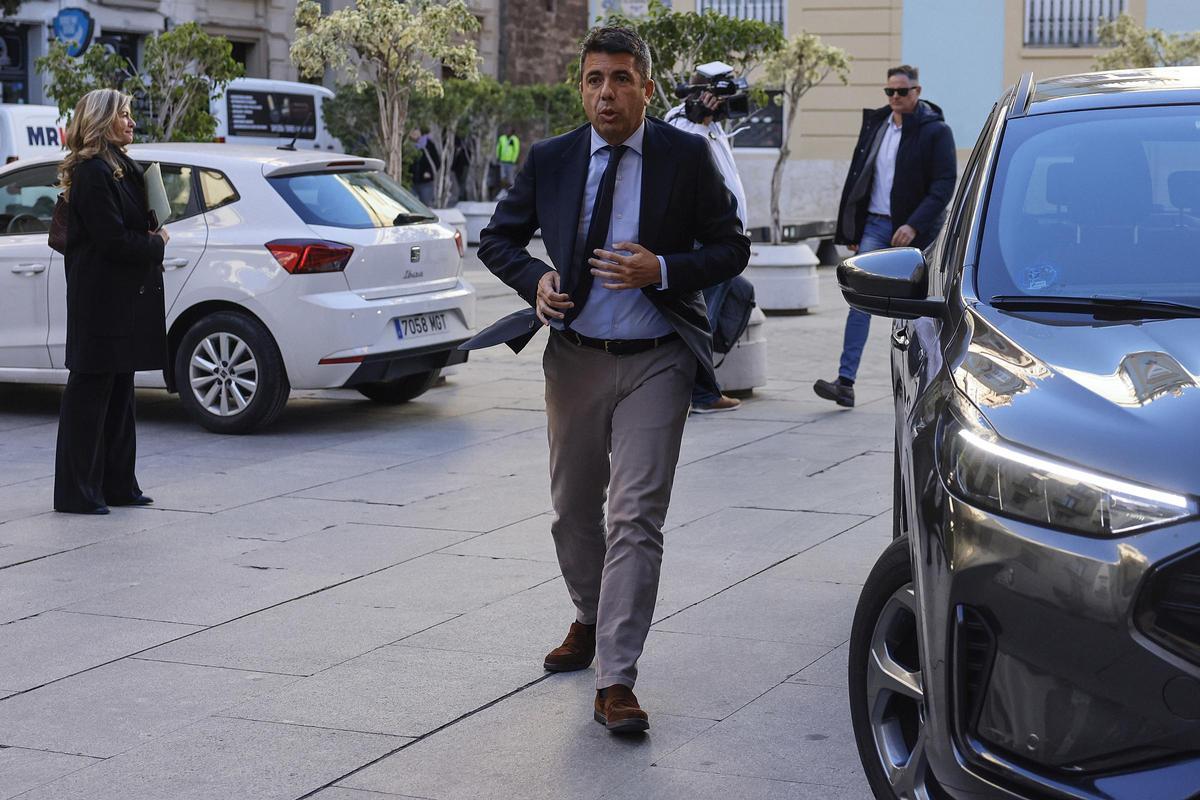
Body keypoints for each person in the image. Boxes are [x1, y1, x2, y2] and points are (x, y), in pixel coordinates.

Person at [465, 26, 749, 734]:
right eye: (594, 80)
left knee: (636, 516)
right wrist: (536, 280)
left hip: (658, 358)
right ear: (581, 88)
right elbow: (497, 239)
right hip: (575, 357)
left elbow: (731, 247)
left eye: (621, 79)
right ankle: (589, 616)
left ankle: (616, 679)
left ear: (646, 89)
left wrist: (665, 268)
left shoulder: (686, 156)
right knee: (572, 510)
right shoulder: (553, 158)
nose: (607, 94)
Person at [54, 88, 169, 515]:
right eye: (123, 114)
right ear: (102, 121)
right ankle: (77, 494)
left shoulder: (121, 166)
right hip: (99, 302)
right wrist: (156, 243)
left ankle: (119, 485)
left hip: (123, 299)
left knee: (121, 393)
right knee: (90, 395)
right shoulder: (92, 172)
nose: (132, 122)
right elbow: (112, 240)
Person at [814, 64, 955, 408]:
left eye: (902, 91)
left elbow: (943, 185)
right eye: (889, 91)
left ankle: (929, 384)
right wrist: (853, 227)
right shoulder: (877, 125)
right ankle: (845, 382)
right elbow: (859, 177)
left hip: (916, 229)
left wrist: (914, 225)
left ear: (917, 92)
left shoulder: (935, 131)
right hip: (876, 225)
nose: (895, 97)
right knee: (858, 297)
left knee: (917, 308)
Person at [665, 66, 748, 414]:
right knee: (702, 317)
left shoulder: (713, 126)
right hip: (703, 241)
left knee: (740, 296)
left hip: (725, 242)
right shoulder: (682, 123)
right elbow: (680, 161)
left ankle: (699, 385)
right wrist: (697, 118)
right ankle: (698, 392)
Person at [409, 128, 439, 207]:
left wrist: (429, 173)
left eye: (416, 131)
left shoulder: (429, 144)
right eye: (412, 132)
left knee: (425, 205)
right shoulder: (406, 145)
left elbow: (436, 162)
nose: (414, 134)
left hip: (425, 182)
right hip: (410, 182)